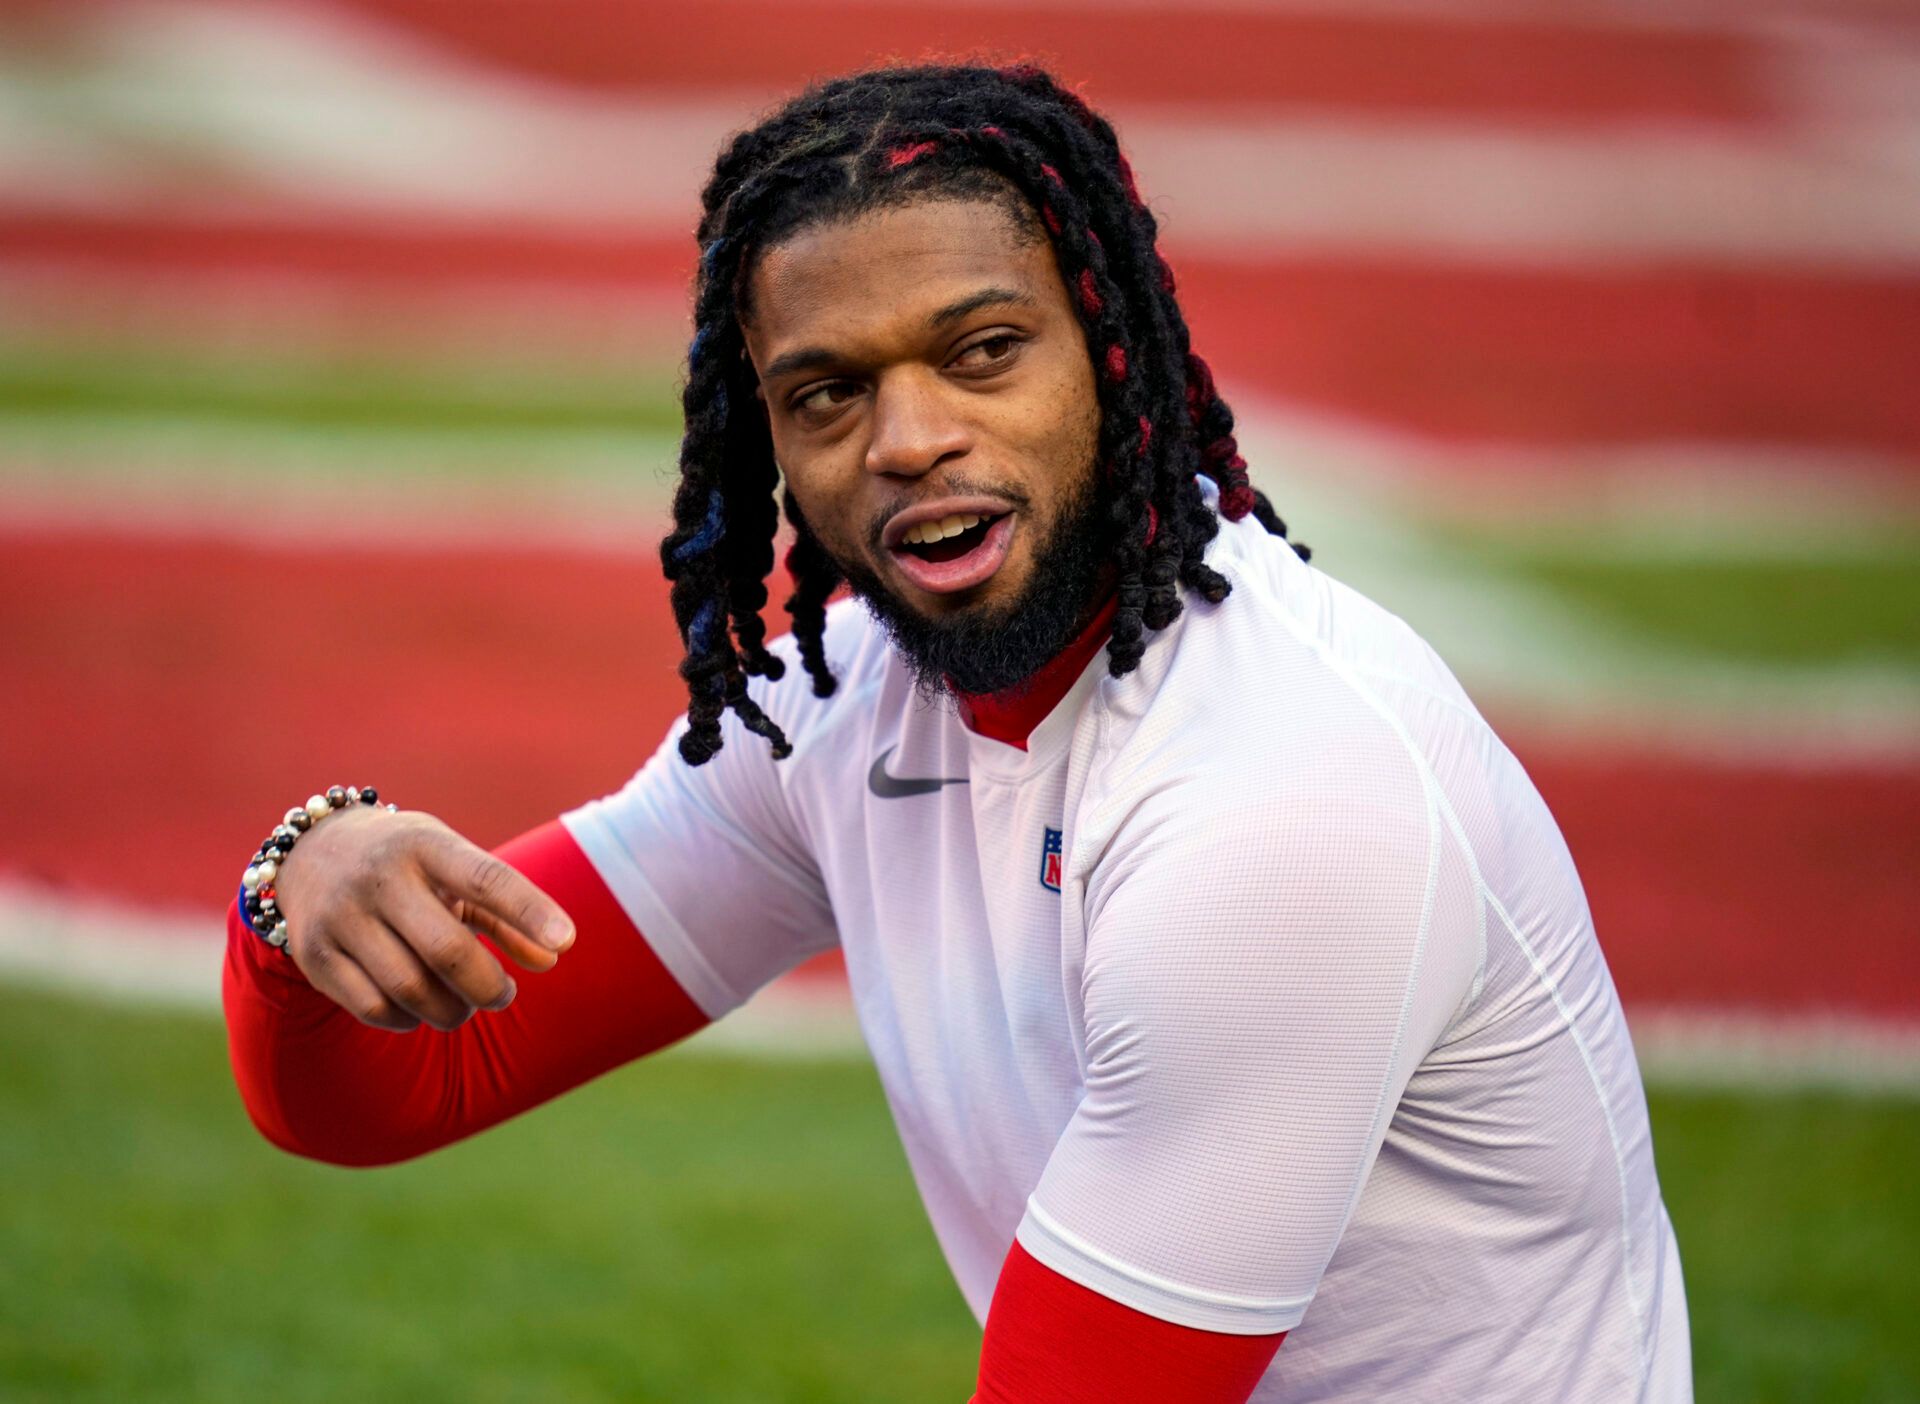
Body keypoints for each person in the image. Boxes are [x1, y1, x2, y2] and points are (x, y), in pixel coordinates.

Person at [223, 63, 1691, 1402]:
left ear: (1114, 359)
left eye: (983, 351)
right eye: (827, 392)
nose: (908, 436)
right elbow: (399, 1085)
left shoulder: (1277, 805)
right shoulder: (844, 698)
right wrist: (305, 884)